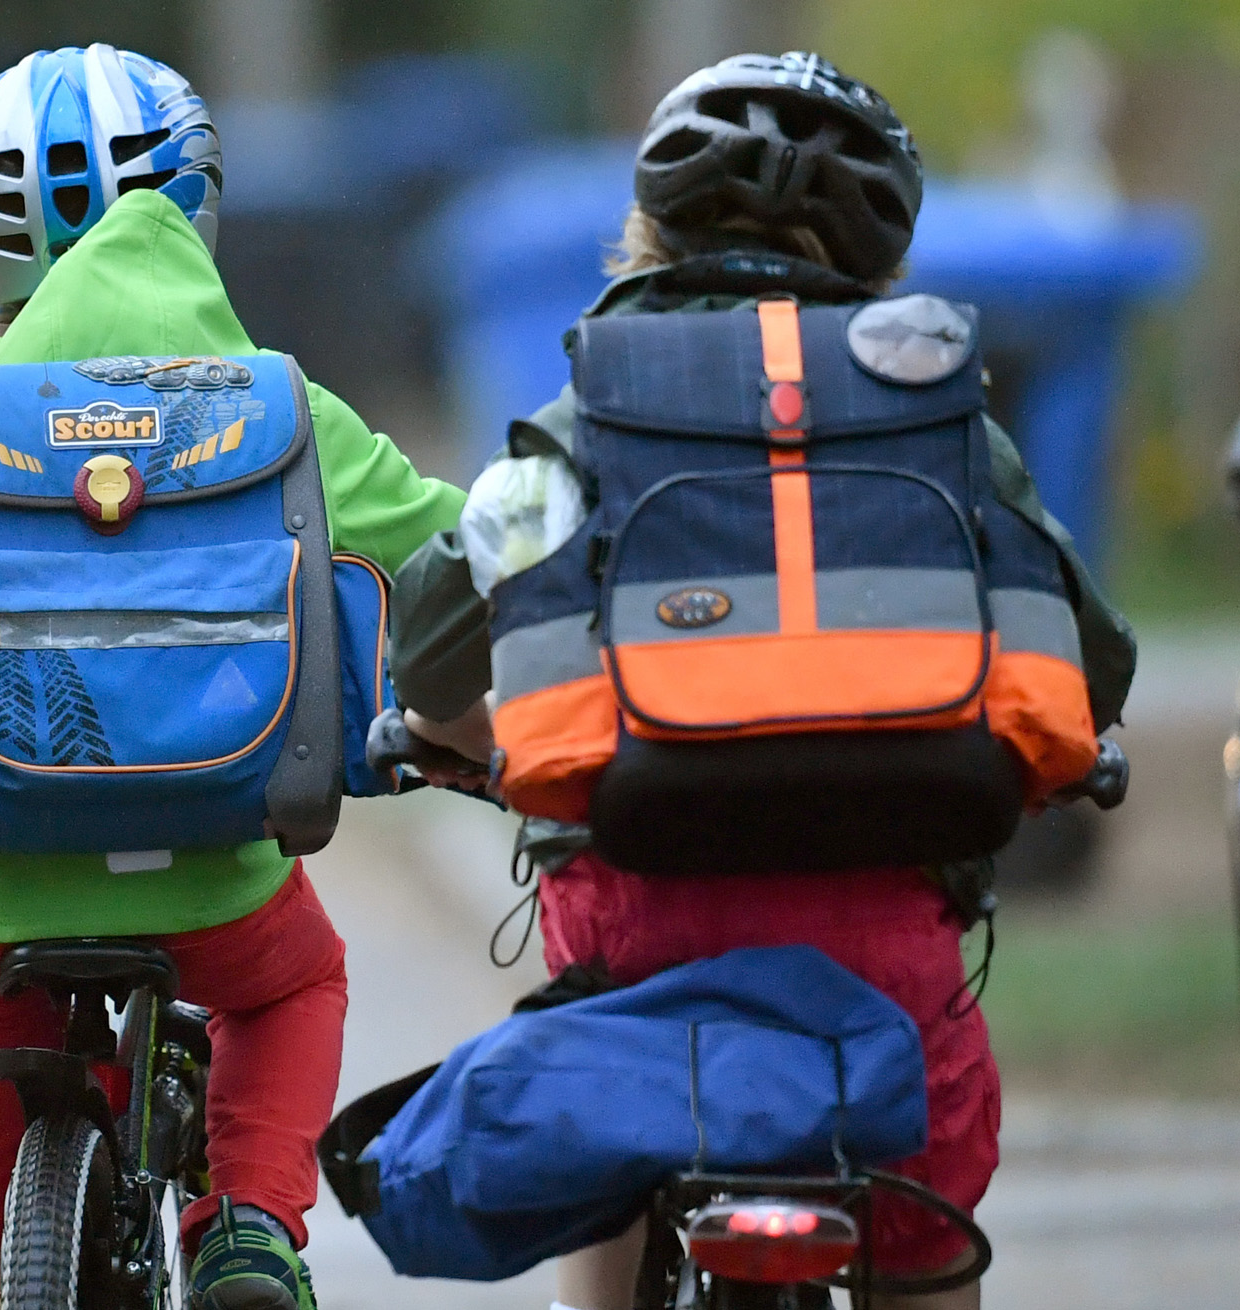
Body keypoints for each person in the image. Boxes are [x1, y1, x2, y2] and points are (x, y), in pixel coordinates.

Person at [384, 53, 1138, 1310]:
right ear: (878, 256)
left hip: (640, 923)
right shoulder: (940, 421)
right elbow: (1091, 657)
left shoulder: (593, 411)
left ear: (648, 230)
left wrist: (450, 730)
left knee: (611, 1123)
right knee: (925, 1199)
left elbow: (432, 638)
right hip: (883, 940)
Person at [0, 44, 465, 1310]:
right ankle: (249, 1221)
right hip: (213, 874)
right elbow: (448, 554)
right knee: (296, 980)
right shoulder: (281, 412)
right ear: (194, 201)